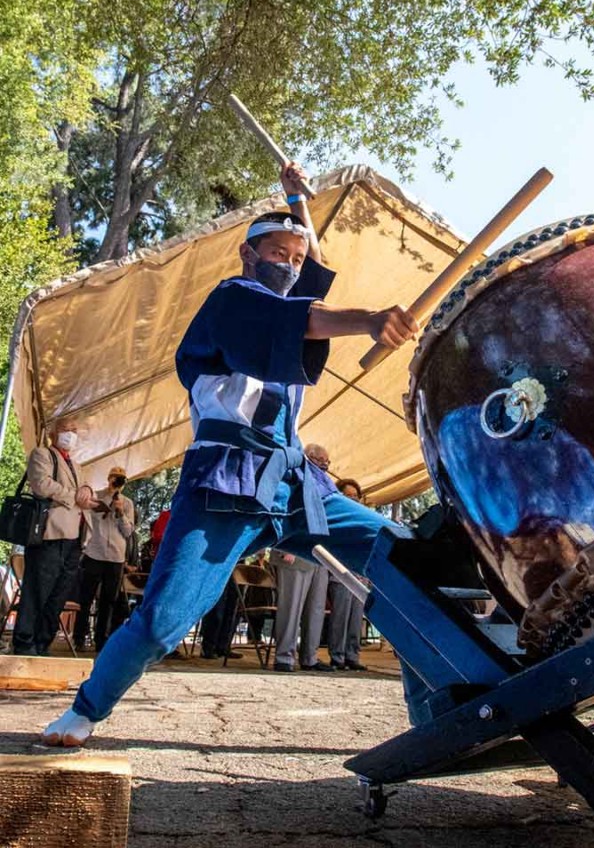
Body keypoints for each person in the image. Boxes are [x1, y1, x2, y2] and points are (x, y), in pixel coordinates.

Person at [42, 160, 418, 746]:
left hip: (294, 484)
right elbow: (291, 315)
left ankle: (443, 705)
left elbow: (311, 276)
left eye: (294, 259)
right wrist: (369, 319)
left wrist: (299, 207)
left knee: (403, 559)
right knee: (164, 620)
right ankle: (85, 710)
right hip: (228, 480)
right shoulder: (233, 299)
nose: (289, 265)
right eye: (277, 254)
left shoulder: (291, 296)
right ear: (248, 255)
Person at [13, 420, 100, 656]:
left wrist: (89, 493)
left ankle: (43, 642)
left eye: (74, 430)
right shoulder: (42, 454)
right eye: (66, 430)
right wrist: (75, 497)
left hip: (75, 538)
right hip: (50, 534)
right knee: (38, 589)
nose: (70, 434)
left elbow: (86, 489)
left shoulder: (77, 465)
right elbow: (41, 485)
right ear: (53, 433)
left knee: (59, 594)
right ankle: (24, 642)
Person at [271, 443, 333, 673]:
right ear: (310, 458)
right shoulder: (292, 477)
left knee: (316, 609)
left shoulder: (324, 483)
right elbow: (281, 510)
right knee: (291, 607)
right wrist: (285, 545)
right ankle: (284, 657)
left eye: (328, 462)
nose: (326, 466)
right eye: (322, 461)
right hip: (294, 551)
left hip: (320, 554)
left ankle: (310, 657)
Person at [74, 467, 135, 653]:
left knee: (109, 600)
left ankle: (102, 639)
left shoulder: (127, 503)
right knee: (85, 598)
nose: (117, 483)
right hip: (95, 552)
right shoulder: (97, 496)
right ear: (108, 478)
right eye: (115, 479)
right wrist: (107, 500)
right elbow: (88, 516)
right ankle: (79, 637)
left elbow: (128, 532)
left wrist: (120, 513)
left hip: (116, 556)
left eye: (121, 480)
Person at [327, 479, 368, 672]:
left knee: (356, 618)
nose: (353, 499)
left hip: (360, 576)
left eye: (355, 496)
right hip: (341, 574)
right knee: (340, 617)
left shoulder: (364, 517)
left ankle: (353, 655)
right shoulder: (338, 517)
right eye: (348, 496)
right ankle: (337, 656)